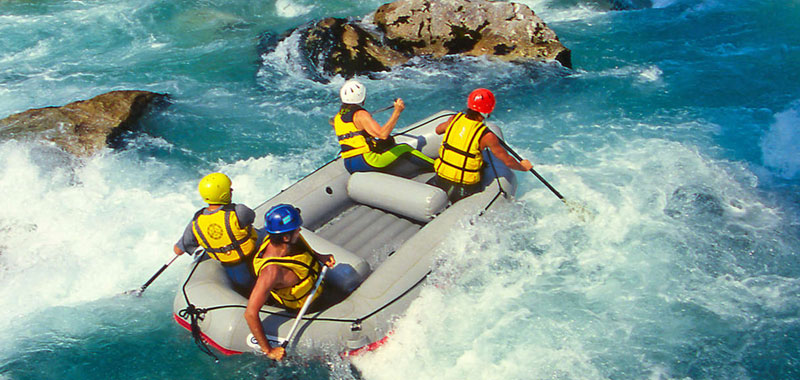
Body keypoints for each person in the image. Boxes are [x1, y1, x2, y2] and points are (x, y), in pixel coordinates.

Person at [244, 204, 336, 361]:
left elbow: (302, 251)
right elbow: (250, 313)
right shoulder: (271, 272)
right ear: (285, 237)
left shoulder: (285, 241)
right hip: (306, 307)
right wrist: (269, 350)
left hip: (317, 288)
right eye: (296, 229)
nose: (300, 231)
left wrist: (319, 256)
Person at [430, 88, 533, 203]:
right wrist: (523, 167)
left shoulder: (454, 119)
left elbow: (438, 130)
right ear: (489, 110)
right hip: (464, 187)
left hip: (441, 177)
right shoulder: (487, 136)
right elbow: (507, 161)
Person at [173, 172, 259, 293]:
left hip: (231, 270)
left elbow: (177, 250)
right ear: (224, 194)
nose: (232, 190)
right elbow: (251, 217)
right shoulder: (239, 211)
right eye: (229, 189)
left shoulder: (196, 222)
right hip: (253, 258)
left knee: (246, 290)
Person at [333, 79, 434, 177]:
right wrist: (397, 112)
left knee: (387, 143)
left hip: (349, 164)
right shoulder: (361, 114)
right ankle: (437, 167)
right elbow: (382, 134)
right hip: (366, 161)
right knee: (404, 148)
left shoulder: (337, 118)